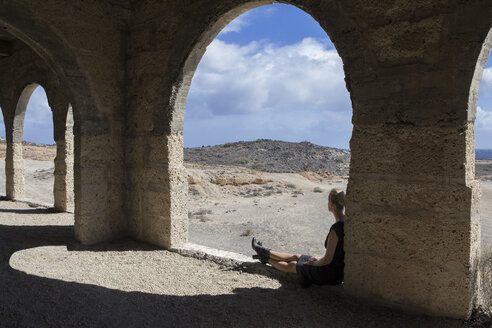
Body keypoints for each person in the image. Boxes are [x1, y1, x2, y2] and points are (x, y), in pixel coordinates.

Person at [251, 188, 345, 287]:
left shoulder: (336, 229)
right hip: (334, 270)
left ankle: (265, 259)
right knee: (297, 256)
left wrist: (313, 263)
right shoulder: (346, 223)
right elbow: (334, 256)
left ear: (331, 204)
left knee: (293, 265)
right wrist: (317, 259)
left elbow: (327, 260)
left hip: (329, 274)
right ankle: (265, 252)